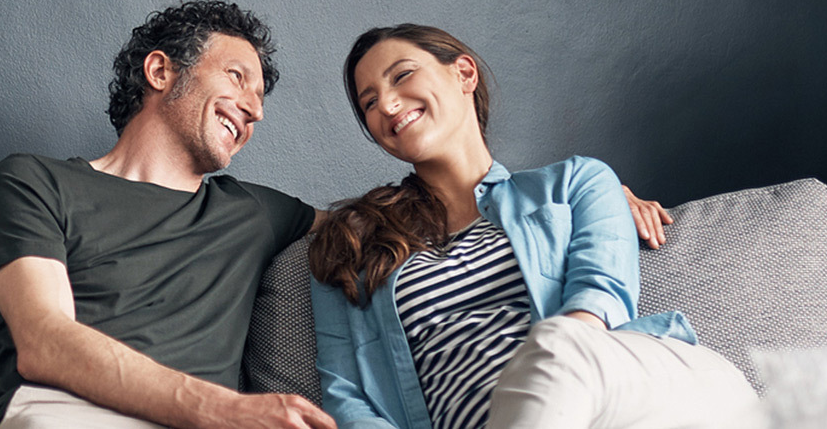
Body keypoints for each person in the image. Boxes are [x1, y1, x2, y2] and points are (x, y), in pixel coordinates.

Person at [0, 2, 671, 428]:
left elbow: (408, 222)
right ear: (160, 73)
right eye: (237, 77)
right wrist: (227, 410)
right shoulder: (34, 182)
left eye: (261, 96)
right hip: (74, 413)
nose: (254, 108)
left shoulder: (254, 212)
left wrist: (595, 194)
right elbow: (46, 343)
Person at [308, 24, 761, 429]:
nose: (387, 104)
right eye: (369, 102)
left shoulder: (577, 182)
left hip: (631, 394)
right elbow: (347, 398)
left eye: (402, 75)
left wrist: (550, 367)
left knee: (561, 344)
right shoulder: (350, 243)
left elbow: (597, 302)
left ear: (464, 73)